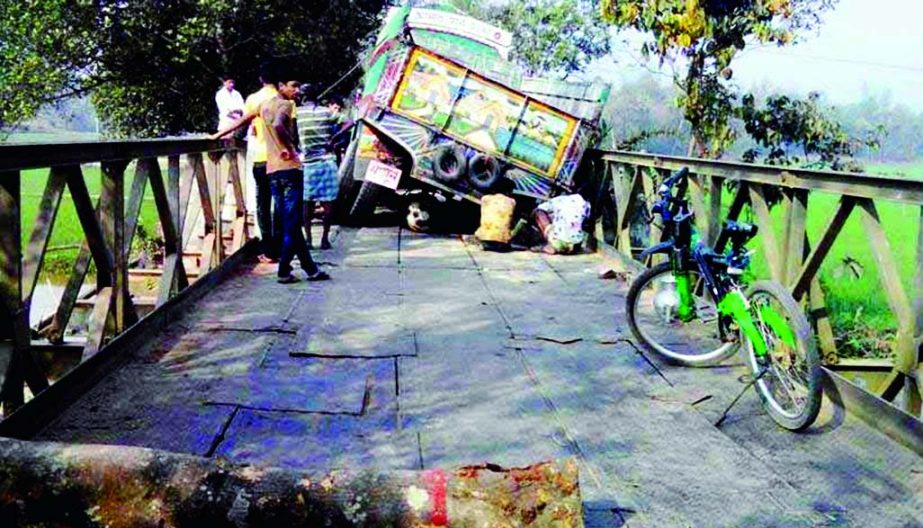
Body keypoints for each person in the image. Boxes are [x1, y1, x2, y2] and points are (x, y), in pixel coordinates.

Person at [211, 68, 329, 284]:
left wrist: (217, 135)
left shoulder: (262, 105)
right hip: (289, 168)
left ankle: (308, 269)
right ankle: (286, 270)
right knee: (292, 223)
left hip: (271, 170)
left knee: (289, 222)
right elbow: (277, 125)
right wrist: (290, 148)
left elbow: (243, 120)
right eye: (293, 85)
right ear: (281, 85)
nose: (297, 90)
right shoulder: (287, 104)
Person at [241, 65, 281, 263]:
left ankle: (269, 250)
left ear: (260, 79)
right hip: (281, 159)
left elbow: (249, 126)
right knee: (281, 203)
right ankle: (283, 246)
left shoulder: (252, 99)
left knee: (263, 204)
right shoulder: (284, 100)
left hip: (260, 157)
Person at [296, 87, 340, 250]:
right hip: (327, 161)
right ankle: (324, 239)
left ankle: (308, 239)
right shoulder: (326, 112)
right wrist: (334, 138)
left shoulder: (298, 113)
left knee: (307, 203)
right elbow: (349, 121)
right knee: (328, 203)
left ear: (303, 97)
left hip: (308, 162)